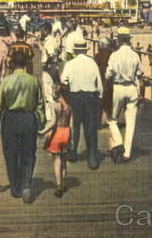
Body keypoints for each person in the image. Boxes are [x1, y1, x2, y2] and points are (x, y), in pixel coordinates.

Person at [0, 51, 45, 203]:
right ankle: (26, 183)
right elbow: (40, 104)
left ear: (12, 64)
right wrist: (42, 124)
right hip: (29, 119)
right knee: (29, 152)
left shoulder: (6, 81)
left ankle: (15, 187)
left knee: (11, 153)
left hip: (10, 119)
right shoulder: (33, 81)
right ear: (26, 64)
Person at [60, 36, 103, 169]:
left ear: (75, 51)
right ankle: (92, 157)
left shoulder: (70, 63)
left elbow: (63, 81)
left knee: (75, 126)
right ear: (85, 50)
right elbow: (99, 85)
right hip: (91, 97)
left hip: (75, 96)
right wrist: (99, 98)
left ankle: (72, 153)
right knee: (90, 127)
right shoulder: (92, 63)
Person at [104, 28, 143, 163]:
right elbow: (139, 75)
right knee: (131, 122)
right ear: (129, 39)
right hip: (132, 88)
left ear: (119, 39)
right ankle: (127, 153)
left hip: (118, 87)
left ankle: (118, 142)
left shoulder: (115, 55)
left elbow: (109, 74)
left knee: (112, 119)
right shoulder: (135, 55)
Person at [39, 82, 72, 197]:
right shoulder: (69, 107)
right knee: (63, 160)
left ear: (57, 93)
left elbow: (53, 123)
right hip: (67, 132)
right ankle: (63, 183)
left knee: (56, 160)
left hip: (57, 133)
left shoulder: (55, 106)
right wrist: (71, 137)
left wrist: (43, 131)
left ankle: (58, 185)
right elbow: (71, 123)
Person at [94, 37, 114, 127]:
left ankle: (98, 121)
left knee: (100, 103)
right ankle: (108, 119)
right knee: (109, 102)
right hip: (109, 81)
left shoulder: (97, 56)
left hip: (99, 81)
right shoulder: (111, 55)